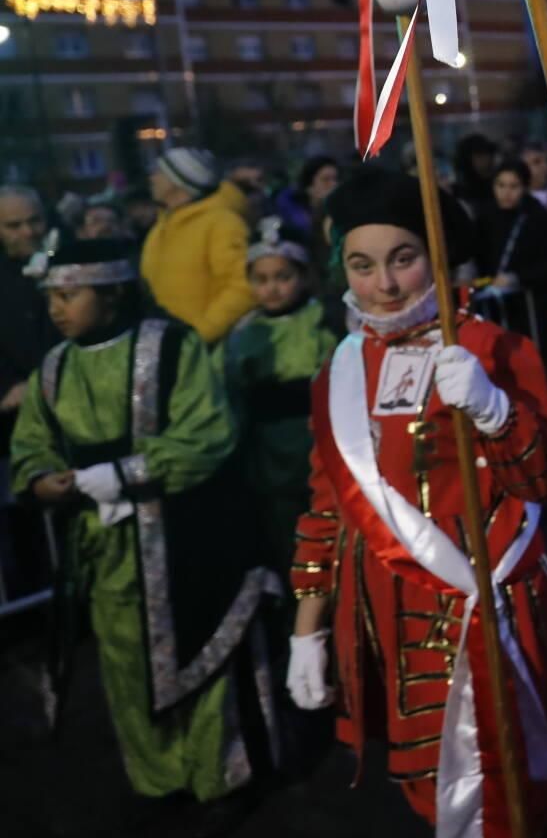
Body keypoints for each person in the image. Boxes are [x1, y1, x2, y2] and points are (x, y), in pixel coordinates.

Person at [286, 168, 547, 837]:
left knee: (507, 785)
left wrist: (493, 409)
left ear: (436, 255)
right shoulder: (337, 371)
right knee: (431, 784)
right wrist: (306, 630)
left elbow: (543, 479)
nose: (385, 285)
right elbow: (324, 510)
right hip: (388, 611)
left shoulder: (491, 347)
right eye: (362, 266)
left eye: (403, 259)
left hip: (484, 602)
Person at [10, 238, 278, 817]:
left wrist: (120, 474)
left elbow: (205, 434)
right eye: (52, 296)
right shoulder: (55, 366)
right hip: (105, 549)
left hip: (183, 533)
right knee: (126, 663)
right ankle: (160, 781)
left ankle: (218, 778)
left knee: (200, 656)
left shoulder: (171, 347)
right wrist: (37, 478)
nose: (58, 308)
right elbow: (33, 438)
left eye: (70, 294)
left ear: (111, 295)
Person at [223, 216, 340, 583]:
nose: (272, 289)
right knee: (287, 538)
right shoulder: (244, 333)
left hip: (321, 444)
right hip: (271, 457)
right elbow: (231, 391)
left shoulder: (323, 320)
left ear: (303, 276)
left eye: (283, 277)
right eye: (261, 279)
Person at [141, 147, 256, 349]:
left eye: (159, 171)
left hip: (206, 350)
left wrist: (201, 333)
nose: (152, 177)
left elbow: (244, 286)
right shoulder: (161, 226)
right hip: (169, 344)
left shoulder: (222, 223)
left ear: (178, 181)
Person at [476, 160, 547, 345]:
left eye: (513, 186)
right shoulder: (485, 216)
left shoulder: (538, 217)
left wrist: (517, 278)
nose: (506, 193)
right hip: (496, 308)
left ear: (524, 187)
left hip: (531, 308)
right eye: (500, 185)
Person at [0, 185, 59, 430]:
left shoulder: (66, 261)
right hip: (13, 416)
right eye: (14, 226)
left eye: (35, 221)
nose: (28, 232)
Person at [451, 133, 500, 217]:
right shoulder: (461, 189)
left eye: (486, 154)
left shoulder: (498, 183)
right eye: (478, 156)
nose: (485, 159)